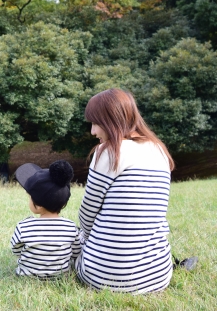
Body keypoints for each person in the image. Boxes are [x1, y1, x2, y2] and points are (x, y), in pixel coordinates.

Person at [74, 88, 182, 294]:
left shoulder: (109, 151)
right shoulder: (159, 150)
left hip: (101, 276)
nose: (93, 132)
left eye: (96, 123)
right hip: (157, 276)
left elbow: (87, 215)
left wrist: (84, 239)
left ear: (112, 119)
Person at [10, 160, 81, 278]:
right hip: (60, 277)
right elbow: (75, 252)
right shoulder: (71, 227)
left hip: (26, 276)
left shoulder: (24, 226)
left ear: (38, 205)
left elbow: (16, 250)